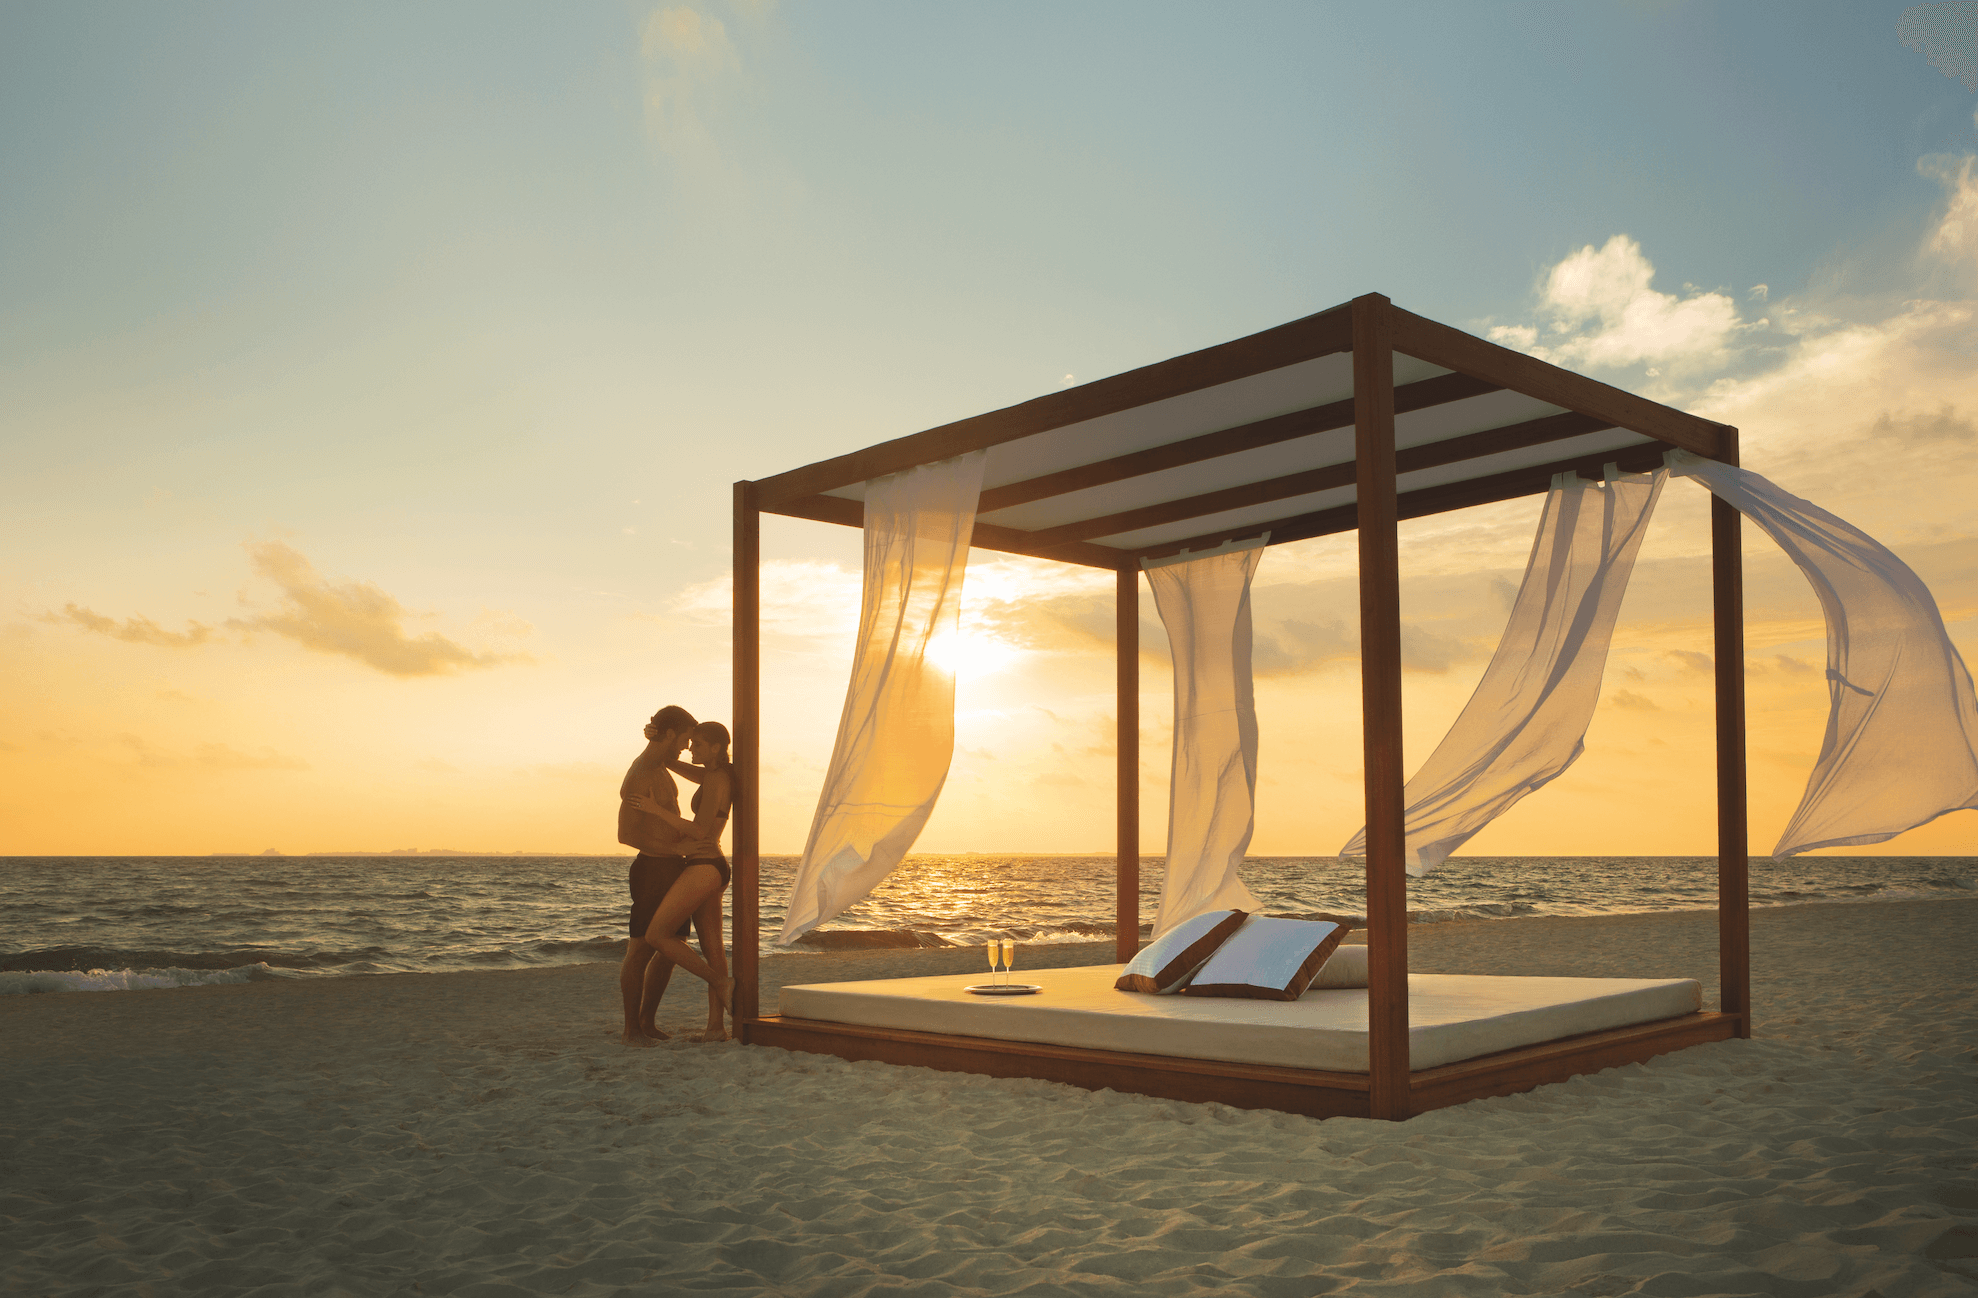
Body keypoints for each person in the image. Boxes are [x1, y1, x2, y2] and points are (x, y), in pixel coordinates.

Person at [623, 720, 737, 1042]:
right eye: (689, 743)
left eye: (697, 745)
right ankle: (716, 1028)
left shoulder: (716, 778)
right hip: (711, 865)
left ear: (715, 748)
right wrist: (657, 741)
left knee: (658, 934)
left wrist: (655, 810)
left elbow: (701, 832)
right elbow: (673, 763)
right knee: (713, 947)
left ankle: (720, 983)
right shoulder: (716, 775)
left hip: (704, 864)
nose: (690, 749)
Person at [617, 704, 707, 1046]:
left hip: (671, 867)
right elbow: (626, 835)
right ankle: (631, 1031)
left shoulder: (661, 767)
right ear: (669, 734)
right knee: (640, 950)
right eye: (684, 739)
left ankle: (647, 1022)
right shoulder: (640, 773)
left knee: (672, 948)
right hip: (652, 869)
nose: (686, 746)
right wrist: (675, 850)